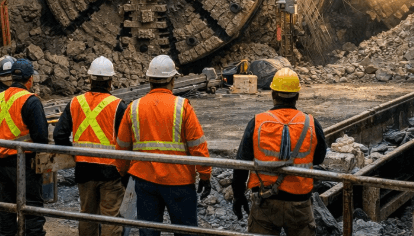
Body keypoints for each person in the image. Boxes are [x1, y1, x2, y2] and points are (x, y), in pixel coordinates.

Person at [115, 55, 211, 236]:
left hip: (145, 180)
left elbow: (122, 147)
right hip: (179, 181)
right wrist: (205, 175)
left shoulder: (134, 107)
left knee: (148, 231)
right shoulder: (182, 107)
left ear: (149, 80)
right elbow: (197, 145)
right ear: (172, 80)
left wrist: (122, 173)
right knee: (185, 231)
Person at [231, 67, 328, 236]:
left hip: (265, 200)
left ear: (273, 94)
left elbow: (241, 164)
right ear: (297, 96)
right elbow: (319, 158)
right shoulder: (311, 123)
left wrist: (238, 196)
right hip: (299, 203)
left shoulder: (257, 122)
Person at [54, 56, 128, 236]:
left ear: (90, 79)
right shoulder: (118, 106)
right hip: (111, 171)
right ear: (110, 81)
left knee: (87, 215)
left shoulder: (75, 102)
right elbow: (127, 141)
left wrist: (74, 154)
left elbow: (59, 135)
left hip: (84, 169)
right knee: (110, 217)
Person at [0, 58, 49, 236]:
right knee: (32, 208)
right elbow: (41, 137)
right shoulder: (30, 100)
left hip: (0, 162)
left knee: (6, 209)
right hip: (24, 163)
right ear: (30, 79)